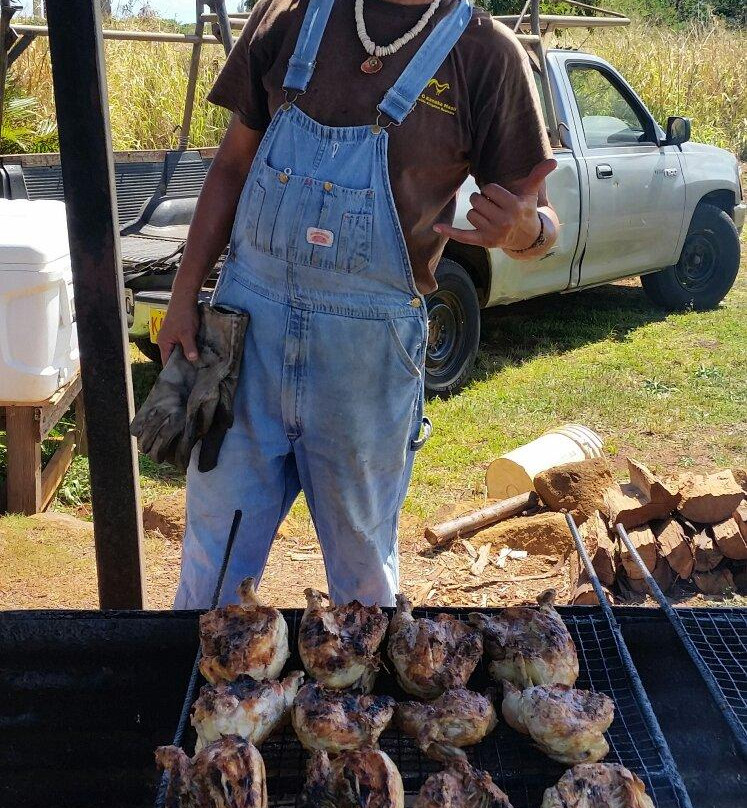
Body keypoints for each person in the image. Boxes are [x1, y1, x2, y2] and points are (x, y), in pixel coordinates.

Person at [159, 0, 559, 608]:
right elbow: (231, 167)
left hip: (366, 362)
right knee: (212, 561)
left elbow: (541, 221)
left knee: (363, 582)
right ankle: (206, 695)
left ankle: (353, 702)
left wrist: (525, 232)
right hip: (244, 342)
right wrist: (185, 294)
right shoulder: (287, 16)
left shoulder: (486, 54)